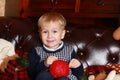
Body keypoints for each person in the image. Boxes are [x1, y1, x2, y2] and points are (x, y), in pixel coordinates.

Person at [27, 12, 84, 80]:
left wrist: (78, 66)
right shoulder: (36, 51)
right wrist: (45, 64)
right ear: (40, 34)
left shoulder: (69, 50)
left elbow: (79, 75)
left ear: (62, 34)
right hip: (46, 77)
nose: (50, 36)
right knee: (44, 76)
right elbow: (32, 73)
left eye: (54, 31)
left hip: (66, 78)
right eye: (45, 32)